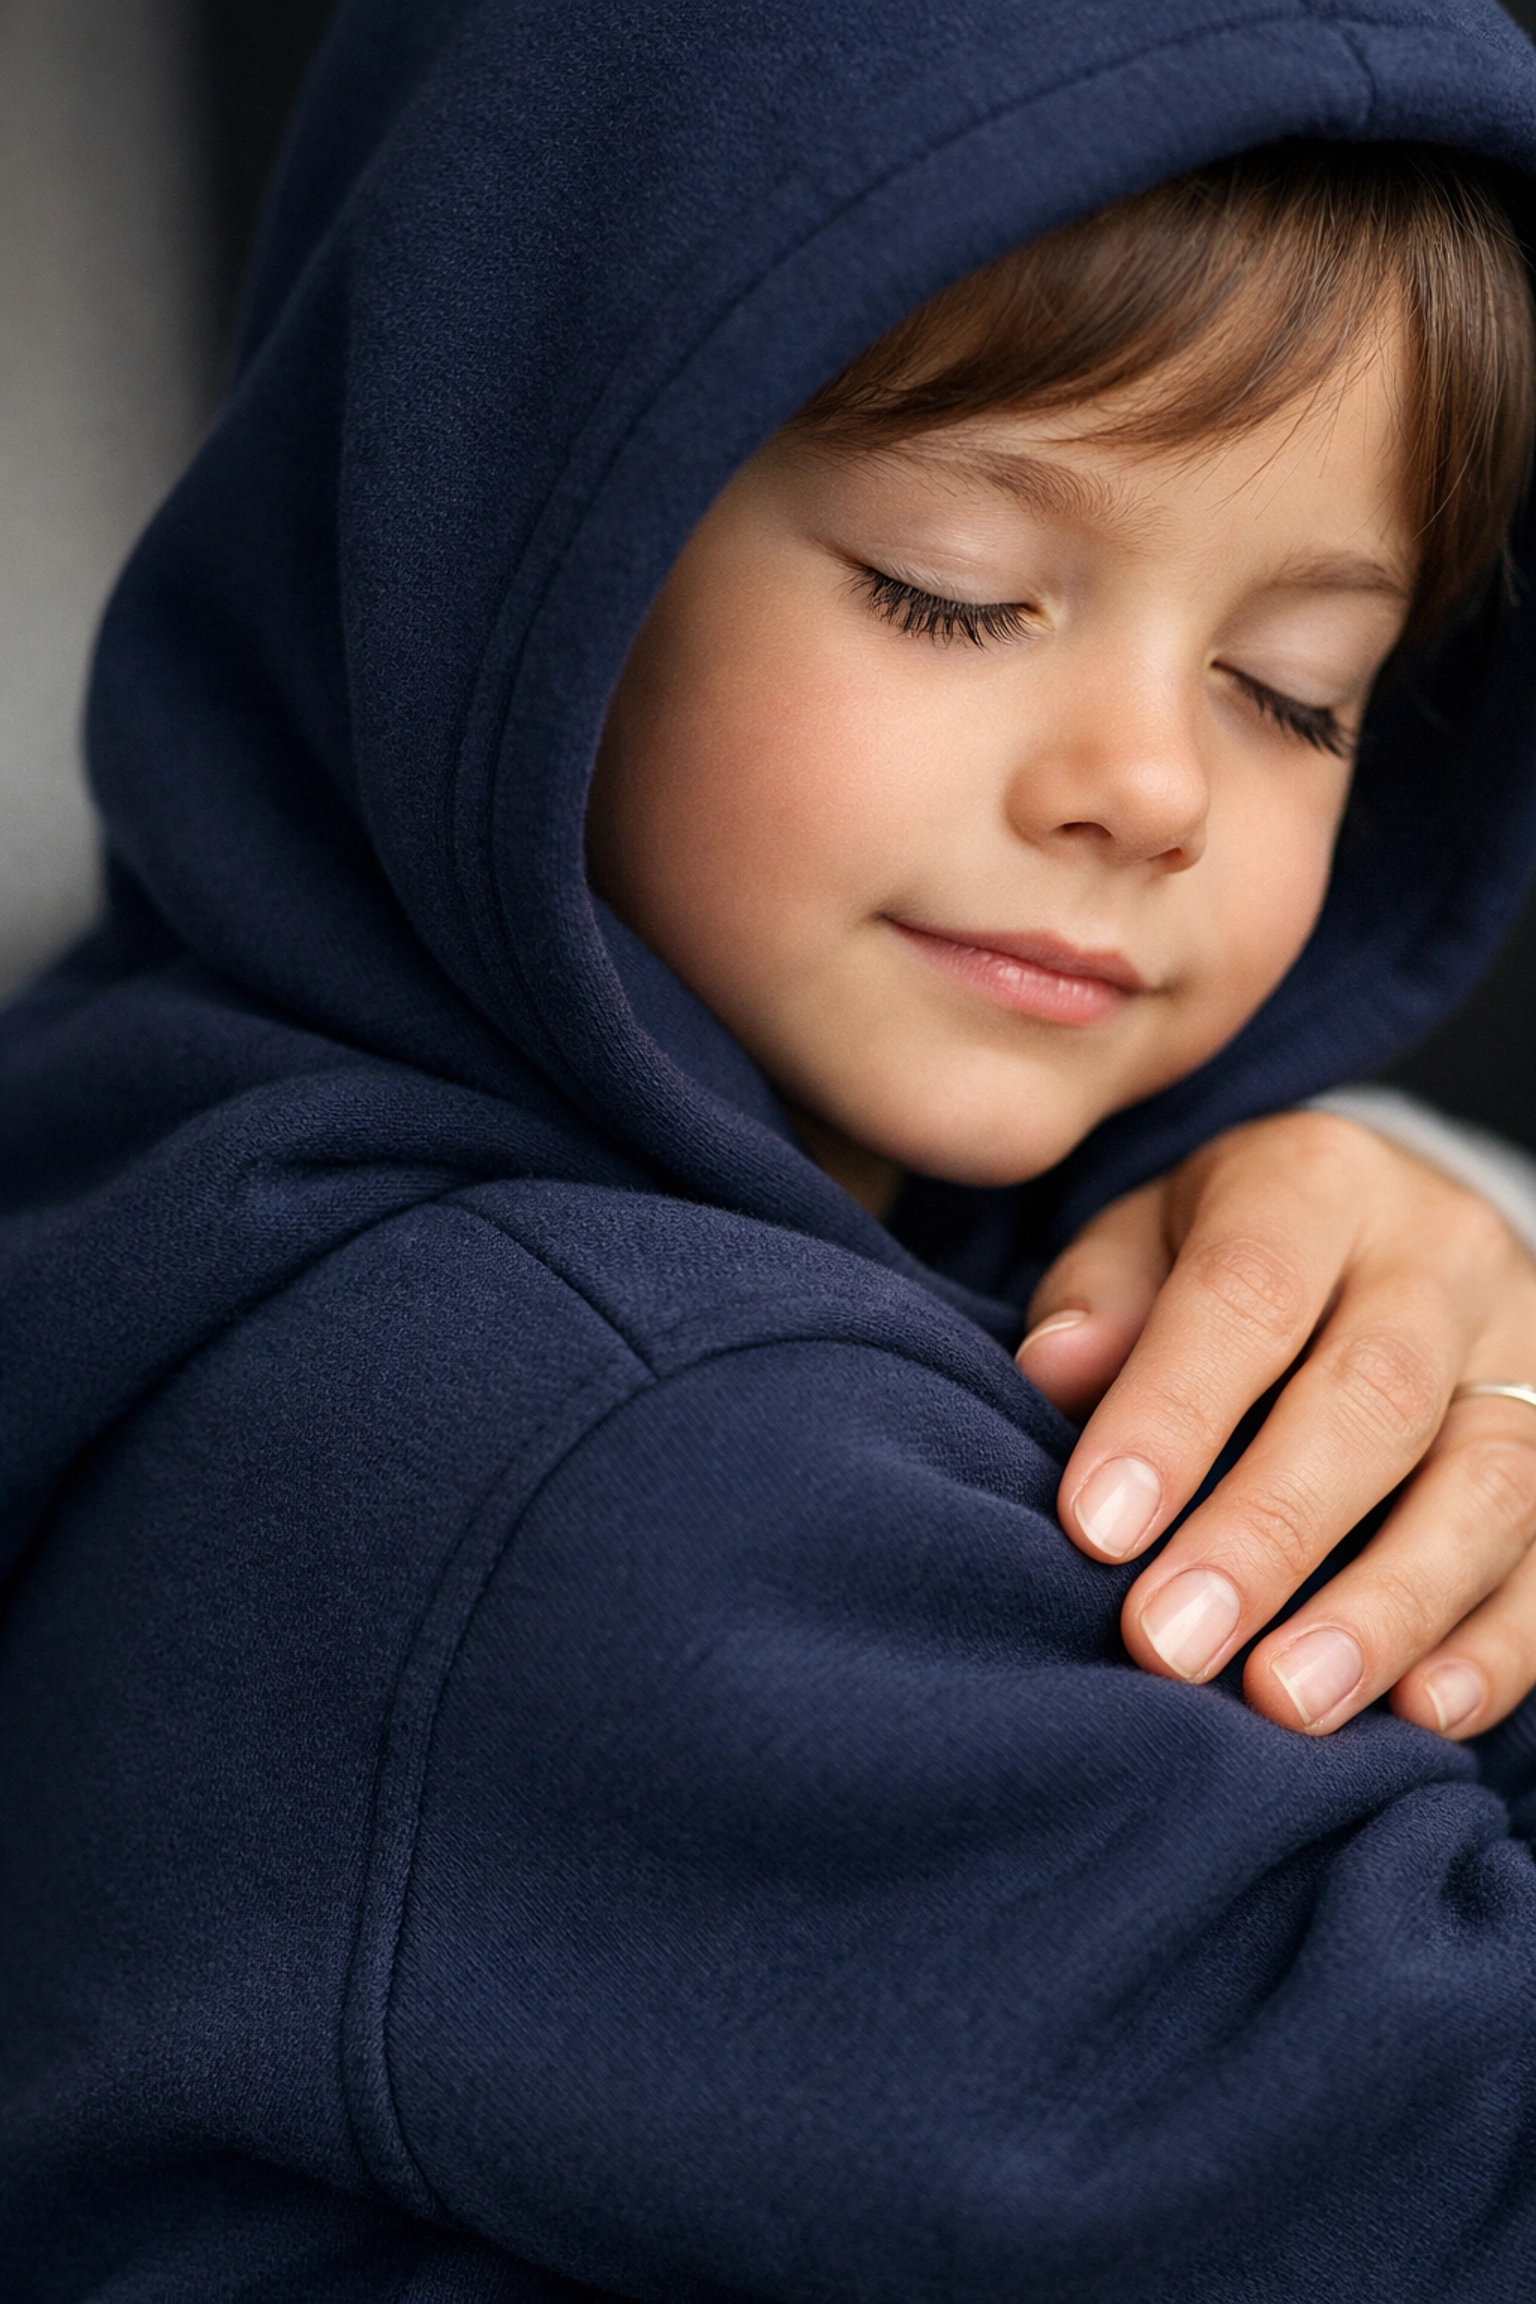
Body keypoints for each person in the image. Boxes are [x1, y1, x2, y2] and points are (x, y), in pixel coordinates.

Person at [7, 0, 1536, 2297]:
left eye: (1296, 686)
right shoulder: (571, 1446)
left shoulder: (229, 1139)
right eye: (952, 586)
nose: (1154, 786)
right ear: (516, 533)